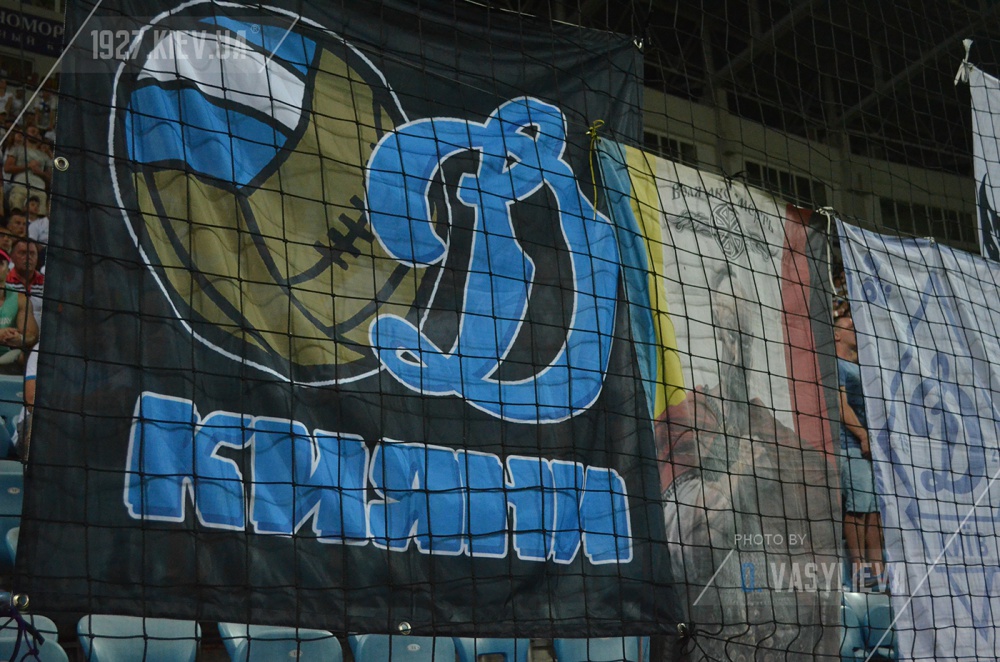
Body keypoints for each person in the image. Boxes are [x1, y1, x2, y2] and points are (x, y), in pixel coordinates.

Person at [835, 313, 885, 590]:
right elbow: (841, 406)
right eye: (848, 325)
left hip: (870, 451)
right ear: (836, 335)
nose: (855, 327)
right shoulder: (837, 365)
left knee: (874, 514)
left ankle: (879, 575)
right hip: (852, 447)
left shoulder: (861, 367)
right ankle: (859, 571)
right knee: (857, 511)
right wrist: (863, 435)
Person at [0, 247, 37, 373]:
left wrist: (19, 338)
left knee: (24, 355)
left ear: (8, 270)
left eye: (0, 263)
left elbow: (32, 335)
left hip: (6, 360)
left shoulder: (20, 299)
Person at [5, 126, 51, 213]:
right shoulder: (17, 149)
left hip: (39, 189)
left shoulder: (45, 156)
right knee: (16, 211)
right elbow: (7, 168)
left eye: (38, 133)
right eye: (33, 131)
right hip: (20, 186)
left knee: (40, 217)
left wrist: (41, 173)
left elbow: (50, 177)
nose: (36, 134)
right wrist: (28, 166)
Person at [7, 237, 43, 327]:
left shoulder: (46, 283)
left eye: (32, 253)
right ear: (12, 257)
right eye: (22, 253)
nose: (28, 257)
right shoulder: (4, 281)